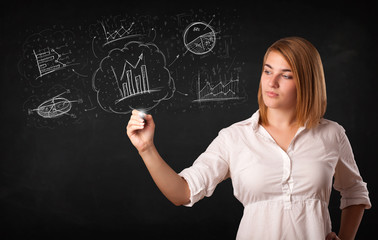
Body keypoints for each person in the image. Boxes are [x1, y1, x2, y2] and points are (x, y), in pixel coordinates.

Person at [126, 37, 371, 239]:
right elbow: (183, 192)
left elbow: (355, 192)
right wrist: (146, 148)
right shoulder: (235, 137)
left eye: (286, 75)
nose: (271, 82)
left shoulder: (332, 134)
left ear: (307, 82)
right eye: (267, 71)